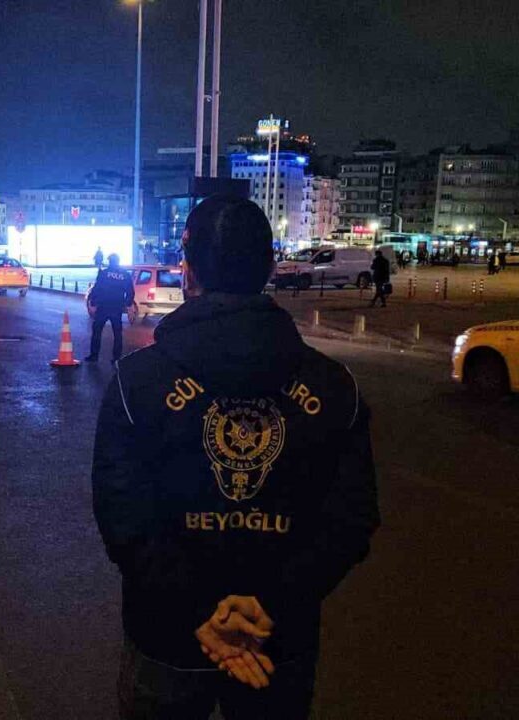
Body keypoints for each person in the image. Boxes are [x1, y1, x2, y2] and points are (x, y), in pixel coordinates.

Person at [92, 195, 379, 719]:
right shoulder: (334, 388)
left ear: (188, 270)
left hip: (167, 635)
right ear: (269, 268)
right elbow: (350, 520)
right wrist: (273, 604)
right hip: (276, 638)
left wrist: (197, 612)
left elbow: (123, 516)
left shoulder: (137, 382)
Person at [85, 254, 134, 363]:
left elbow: (97, 288)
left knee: (97, 332)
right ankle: (116, 358)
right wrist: (127, 305)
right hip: (117, 307)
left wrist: (93, 302)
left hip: (103, 307)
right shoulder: (125, 274)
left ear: (110, 261)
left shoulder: (104, 273)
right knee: (117, 333)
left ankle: (94, 356)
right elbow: (130, 291)